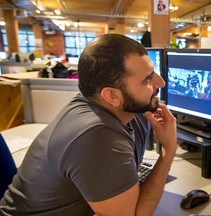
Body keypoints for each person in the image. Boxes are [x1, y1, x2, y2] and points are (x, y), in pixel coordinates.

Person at [0, 34, 177, 215]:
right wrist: (168, 151)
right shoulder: (98, 136)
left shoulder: (129, 110)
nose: (160, 82)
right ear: (112, 96)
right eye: (147, 79)